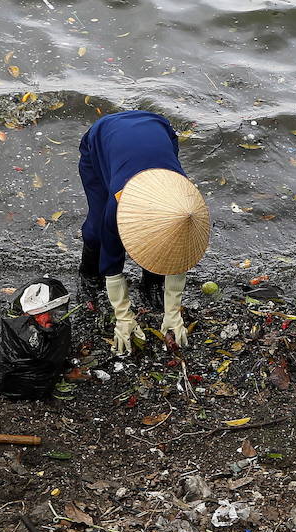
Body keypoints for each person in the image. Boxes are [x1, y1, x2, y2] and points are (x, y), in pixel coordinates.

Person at [77, 110, 210, 354]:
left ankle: (151, 281)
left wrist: (173, 312)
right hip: (101, 140)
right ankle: (87, 273)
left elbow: (180, 251)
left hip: (160, 128)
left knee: (165, 233)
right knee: (96, 229)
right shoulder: (119, 204)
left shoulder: (185, 203)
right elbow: (113, 261)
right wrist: (123, 315)